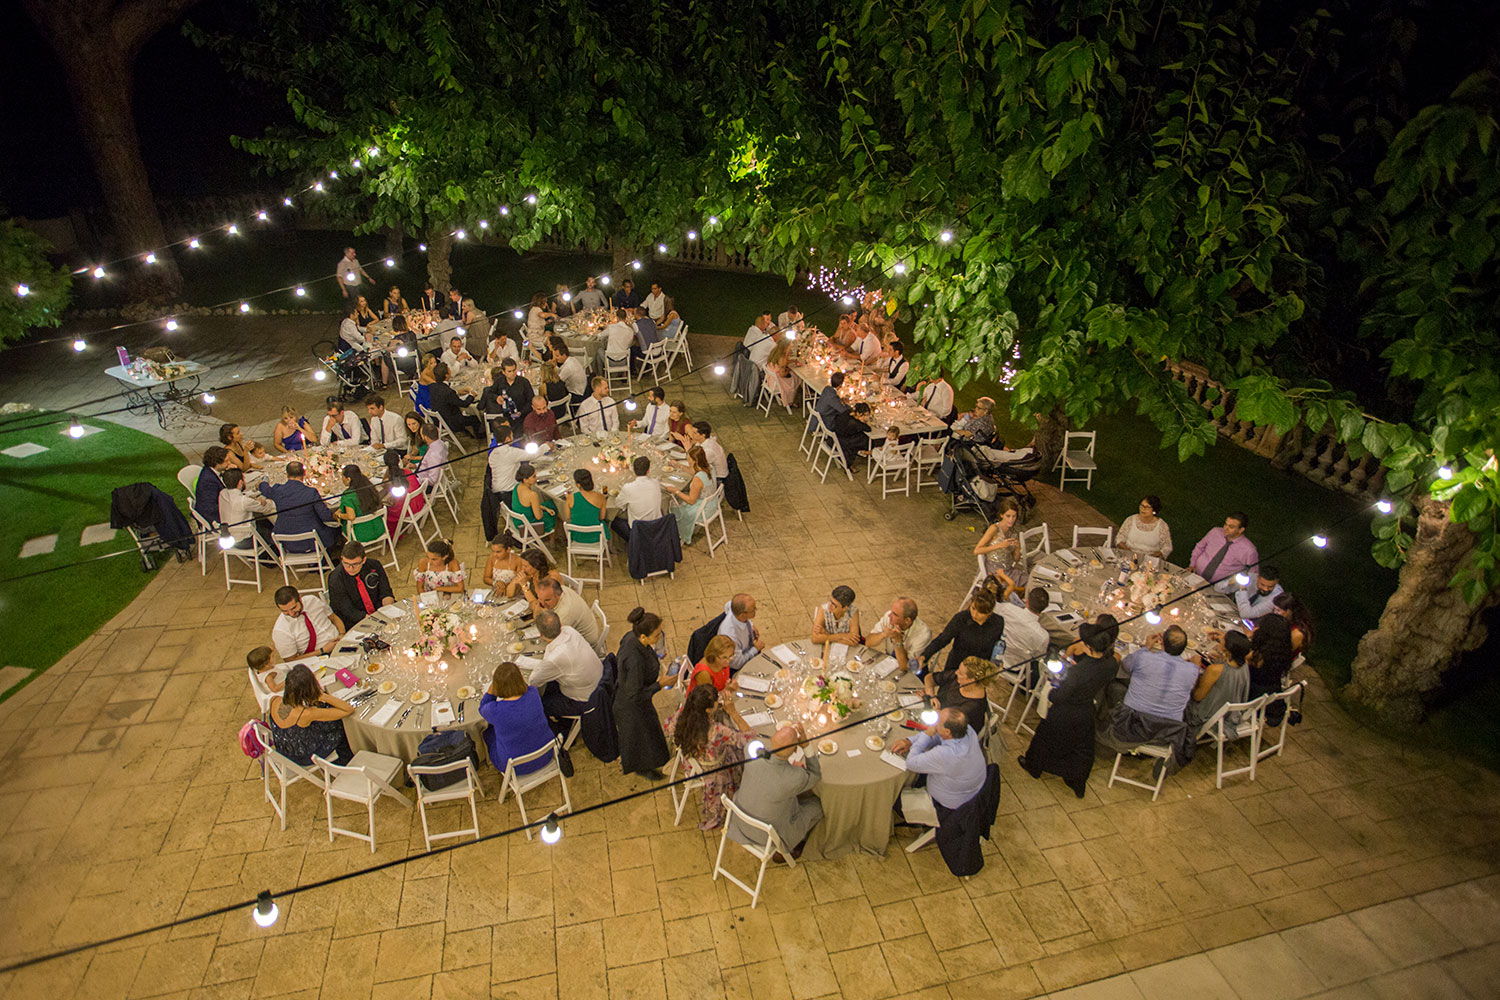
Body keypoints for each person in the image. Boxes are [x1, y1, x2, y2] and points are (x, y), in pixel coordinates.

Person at [1018, 615, 1121, 797]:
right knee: (1082, 749)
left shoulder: (1077, 672)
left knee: (1044, 740)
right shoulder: (1111, 664)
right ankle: (1076, 780)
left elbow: (1058, 697)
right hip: (1086, 712)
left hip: (1065, 712)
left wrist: (1053, 686)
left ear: (1089, 648)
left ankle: (1034, 766)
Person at [891, 708, 991, 876]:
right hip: (971, 791)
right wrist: (910, 741)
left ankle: (917, 822)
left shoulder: (947, 755)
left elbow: (912, 763)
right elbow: (938, 736)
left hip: (949, 807)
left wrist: (927, 735)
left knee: (896, 798)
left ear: (948, 731)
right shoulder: (968, 731)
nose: (934, 722)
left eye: (938, 722)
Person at [1106, 625, 1202, 772]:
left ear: (1161, 643)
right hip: (1167, 732)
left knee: (1114, 685)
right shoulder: (1193, 670)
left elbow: (1124, 667)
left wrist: (1146, 647)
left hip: (1131, 726)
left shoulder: (1143, 656)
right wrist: (1196, 665)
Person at [728, 725, 824, 858]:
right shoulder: (795, 777)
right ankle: (793, 845)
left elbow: (755, 744)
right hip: (767, 836)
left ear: (772, 738)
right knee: (818, 806)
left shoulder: (751, 752)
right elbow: (815, 775)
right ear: (796, 749)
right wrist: (806, 745)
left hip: (739, 821)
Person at [665, 685, 750, 830]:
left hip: (691, 759)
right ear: (708, 710)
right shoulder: (717, 731)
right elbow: (748, 737)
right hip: (715, 771)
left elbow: (668, 726)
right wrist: (733, 712)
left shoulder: (683, 714)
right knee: (744, 754)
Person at [614, 607, 673, 779]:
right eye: (656, 635)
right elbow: (635, 694)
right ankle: (643, 767)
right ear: (643, 637)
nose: (659, 637)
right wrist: (659, 684)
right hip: (631, 706)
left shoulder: (631, 637)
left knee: (649, 731)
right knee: (641, 737)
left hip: (634, 699)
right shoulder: (634, 661)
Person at [479, 663, 558, 776]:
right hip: (546, 753)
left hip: (515, 767)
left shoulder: (495, 710)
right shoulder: (533, 693)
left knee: (487, 732)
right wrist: (514, 675)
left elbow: (482, 708)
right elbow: (526, 687)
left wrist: (491, 690)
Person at [267, 664, 354, 766]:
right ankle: (345, 760)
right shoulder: (306, 714)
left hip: (284, 748)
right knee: (339, 725)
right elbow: (348, 710)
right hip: (302, 755)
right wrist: (322, 695)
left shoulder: (274, 700)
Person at [529, 610, 604, 724]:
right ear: (560, 625)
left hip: (586, 700)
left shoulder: (555, 658)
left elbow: (533, 681)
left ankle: (560, 731)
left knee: (536, 706)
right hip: (600, 682)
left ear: (540, 634)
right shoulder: (569, 631)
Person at [920, 587, 1005, 686]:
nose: (974, 614)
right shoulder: (961, 619)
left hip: (978, 672)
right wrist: (924, 656)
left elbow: (995, 647)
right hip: (956, 668)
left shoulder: (998, 623)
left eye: (980, 612)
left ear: (989, 613)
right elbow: (942, 639)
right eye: (973, 608)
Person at [257, 461, 342, 553]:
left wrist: (263, 482)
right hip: (312, 541)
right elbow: (326, 516)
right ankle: (327, 557)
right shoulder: (311, 492)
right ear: (304, 474)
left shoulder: (277, 490)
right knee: (336, 529)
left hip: (286, 542)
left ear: (287, 474)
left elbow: (265, 489)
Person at [1185, 630, 1253, 737]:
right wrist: (1221, 658)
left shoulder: (1215, 670)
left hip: (1207, 714)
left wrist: (1196, 668)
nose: (1220, 640)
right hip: (1227, 713)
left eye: (1223, 639)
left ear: (1227, 648)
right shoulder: (1244, 665)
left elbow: (1197, 696)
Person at [327, 540, 396, 630]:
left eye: (355, 564)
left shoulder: (374, 565)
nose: (350, 568)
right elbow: (348, 610)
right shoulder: (336, 579)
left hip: (378, 611)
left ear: (364, 560)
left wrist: (387, 613)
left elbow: (386, 592)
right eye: (346, 564)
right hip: (355, 621)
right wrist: (375, 622)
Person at [529, 576, 604, 654]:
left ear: (558, 594)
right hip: (578, 633)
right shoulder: (561, 589)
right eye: (539, 598)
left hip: (585, 646)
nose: (542, 603)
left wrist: (537, 613)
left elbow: (555, 640)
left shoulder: (565, 613)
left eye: (547, 600)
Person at [1190, 511, 1259, 592]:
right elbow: (1200, 547)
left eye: (1231, 527)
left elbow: (1252, 573)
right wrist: (1192, 564)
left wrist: (1238, 587)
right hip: (1196, 576)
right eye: (1225, 524)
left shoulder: (1249, 550)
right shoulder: (1215, 532)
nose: (1225, 528)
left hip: (1219, 589)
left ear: (1241, 530)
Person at [974, 500, 1027, 598]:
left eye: (1014, 516)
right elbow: (977, 550)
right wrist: (1000, 546)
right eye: (1008, 516)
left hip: (1008, 568)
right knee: (1013, 590)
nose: (1011, 519)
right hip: (994, 569)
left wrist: (1018, 547)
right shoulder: (994, 529)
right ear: (1001, 515)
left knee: (1030, 582)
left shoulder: (1012, 531)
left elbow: (1016, 559)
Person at [865, 597, 932, 674]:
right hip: (890, 660)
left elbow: (905, 667)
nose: (889, 615)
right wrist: (884, 634)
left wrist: (897, 641)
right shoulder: (889, 618)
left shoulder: (923, 635)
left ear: (907, 620)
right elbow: (868, 642)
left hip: (914, 672)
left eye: (895, 614)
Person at [667, 445, 719, 545]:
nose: (687, 460)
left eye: (689, 459)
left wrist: (676, 491)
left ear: (695, 460)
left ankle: (678, 534)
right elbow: (692, 471)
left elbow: (691, 500)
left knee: (671, 505)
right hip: (712, 503)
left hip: (703, 509)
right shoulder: (708, 467)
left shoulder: (698, 479)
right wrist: (678, 465)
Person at [271, 587, 340, 660]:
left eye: (294, 608)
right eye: (285, 611)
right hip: (317, 658)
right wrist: (322, 650)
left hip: (339, 640)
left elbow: (333, 617)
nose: (291, 614)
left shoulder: (312, 600)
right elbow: (291, 660)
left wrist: (342, 634)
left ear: (300, 598)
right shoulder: (281, 630)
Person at [217, 467, 276, 549]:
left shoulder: (222, 493)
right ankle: (277, 555)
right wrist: (266, 500)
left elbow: (241, 496)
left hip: (229, 534)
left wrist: (254, 499)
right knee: (275, 532)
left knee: (265, 522)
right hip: (245, 539)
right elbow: (266, 507)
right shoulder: (243, 501)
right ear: (240, 483)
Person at [994, 588, 1052, 670]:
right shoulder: (1042, 636)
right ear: (1045, 608)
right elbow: (1038, 658)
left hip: (994, 655)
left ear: (1027, 600)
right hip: (1016, 667)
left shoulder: (1007, 609)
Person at [1247, 613, 1296, 707]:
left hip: (1254, 699)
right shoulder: (1282, 652)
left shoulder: (1259, 656)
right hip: (1271, 696)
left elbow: (1239, 656)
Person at [611, 455, 665, 541]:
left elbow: (618, 504)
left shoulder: (628, 488)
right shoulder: (655, 483)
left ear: (633, 471)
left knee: (613, 521)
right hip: (657, 527)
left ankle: (633, 543)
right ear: (648, 471)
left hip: (638, 531)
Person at [427, 362, 483, 438]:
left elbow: (444, 397)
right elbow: (464, 404)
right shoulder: (448, 392)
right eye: (449, 370)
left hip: (439, 420)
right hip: (451, 422)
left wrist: (457, 392)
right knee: (475, 418)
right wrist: (472, 396)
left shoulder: (433, 386)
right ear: (446, 375)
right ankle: (480, 436)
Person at [334, 464, 386, 543]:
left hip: (360, 534)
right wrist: (340, 510)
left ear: (348, 479)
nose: (342, 479)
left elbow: (351, 516)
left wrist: (339, 515)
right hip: (378, 527)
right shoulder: (368, 486)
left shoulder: (348, 495)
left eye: (342, 477)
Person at [563, 468, 611, 545]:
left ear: (578, 485)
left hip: (577, 535)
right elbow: (602, 517)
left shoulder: (570, 498)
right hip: (596, 536)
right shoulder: (601, 497)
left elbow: (568, 517)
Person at [716, 593, 764, 670]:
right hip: (737, 666)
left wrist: (751, 625)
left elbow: (728, 604)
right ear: (742, 615)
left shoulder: (734, 608)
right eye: (753, 609)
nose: (756, 610)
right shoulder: (731, 637)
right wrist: (755, 649)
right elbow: (737, 664)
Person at [1116, 495, 1173, 560]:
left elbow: (1167, 547)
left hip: (1150, 561)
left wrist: (1152, 557)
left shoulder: (1162, 526)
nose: (1143, 509)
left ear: (1154, 510)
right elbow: (1119, 539)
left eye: (1147, 507)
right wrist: (1129, 552)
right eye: (1142, 505)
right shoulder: (1130, 520)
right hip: (1128, 557)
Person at [413, 538, 466, 604]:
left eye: (434, 559)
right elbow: (420, 587)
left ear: (444, 557)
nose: (429, 561)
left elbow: (460, 588)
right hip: (431, 598)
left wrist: (438, 589)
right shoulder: (423, 562)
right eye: (428, 557)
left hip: (451, 597)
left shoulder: (452, 564)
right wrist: (426, 599)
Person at [511, 463, 558, 535]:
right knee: (553, 508)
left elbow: (528, 505)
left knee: (548, 504)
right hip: (529, 526)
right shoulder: (532, 495)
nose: (536, 478)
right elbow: (539, 517)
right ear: (525, 480)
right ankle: (552, 539)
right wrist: (544, 511)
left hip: (518, 521)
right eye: (534, 476)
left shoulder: (517, 486)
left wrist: (545, 508)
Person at [487, 422, 527, 501]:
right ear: (507, 439)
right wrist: (547, 446)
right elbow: (532, 455)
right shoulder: (509, 452)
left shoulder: (493, 452)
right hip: (508, 492)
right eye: (512, 436)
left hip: (496, 490)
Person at [193, 446, 229, 525]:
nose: (229, 463)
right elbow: (210, 508)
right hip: (215, 518)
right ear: (216, 463)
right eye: (226, 461)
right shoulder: (208, 482)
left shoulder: (210, 471)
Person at [762, 339, 801, 409]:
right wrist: (788, 370)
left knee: (794, 374)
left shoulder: (775, 352)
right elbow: (782, 374)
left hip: (770, 379)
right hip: (777, 383)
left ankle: (793, 399)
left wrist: (791, 361)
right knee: (797, 378)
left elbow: (781, 364)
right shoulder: (782, 358)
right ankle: (791, 401)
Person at [413, 423, 448, 491]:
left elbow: (432, 480)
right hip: (421, 473)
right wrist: (415, 465)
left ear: (426, 437)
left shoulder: (434, 454)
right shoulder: (440, 443)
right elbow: (428, 464)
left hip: (424, 485)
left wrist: (415, 480)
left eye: (421, 435)